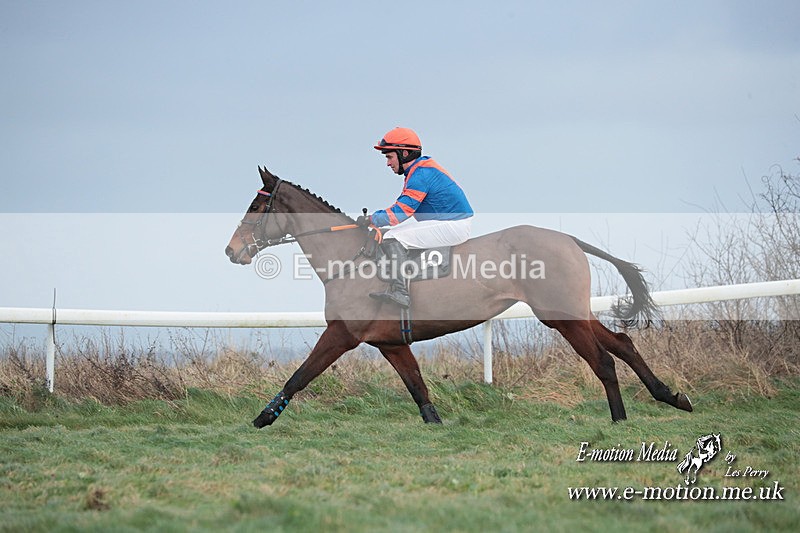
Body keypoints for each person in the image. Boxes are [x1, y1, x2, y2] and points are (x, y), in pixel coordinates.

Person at [356, 127, 474, 308]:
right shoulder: (419, 170)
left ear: (404, 153)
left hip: (453, 225)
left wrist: (371, 219)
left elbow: (399, 214)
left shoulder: (420, 175)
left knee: (391, 236)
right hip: (449, 221)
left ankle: (400, 292)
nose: (388, 163)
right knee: (392, 233)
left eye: (389, 157)